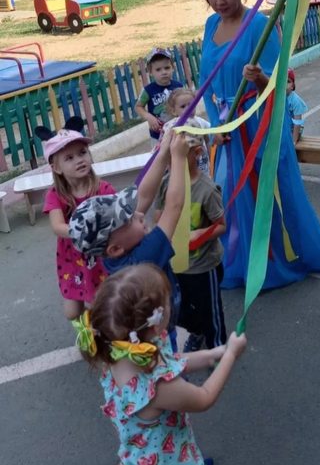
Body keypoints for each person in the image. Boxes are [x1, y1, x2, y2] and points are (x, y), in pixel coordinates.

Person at [199, 0, 320, 290]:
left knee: (276, 191)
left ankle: (282, 259)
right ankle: (246, 262)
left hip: (259, 123)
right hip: (228, 127)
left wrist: (260, 77)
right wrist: (215, 127)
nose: (219, 1)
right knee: (235, 200)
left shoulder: (259, 27)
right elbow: (207, 81)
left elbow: (279, 85)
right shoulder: (210, 26)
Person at [73, 263, 247, 465]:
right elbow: (204, 397)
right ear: (156, 323)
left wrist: (213, 354)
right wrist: (230, 356)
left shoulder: (119, 350)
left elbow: (170, 362)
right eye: (168, 301)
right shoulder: (157, 387)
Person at [69, 132, 190, 352]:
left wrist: (163, 152)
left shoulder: (114, 252)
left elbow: (143, 197)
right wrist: (179, 158)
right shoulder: (143, 259)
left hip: (146, 325)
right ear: (115, 248)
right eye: (130, 219)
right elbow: (174, 206)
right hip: (159, 328)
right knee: (168, 365)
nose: (140, 215)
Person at [154, 118, 227, 355]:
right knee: (178, 309)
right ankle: (198, 331)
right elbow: (158, 217)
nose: (172, 161)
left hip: (203, 266)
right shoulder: (165, 184)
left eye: (180, 154)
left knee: (211, 311)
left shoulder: (207, 189)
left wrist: (200, 233)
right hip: (175, 265)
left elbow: (221, 226)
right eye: (169, 155)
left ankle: (218, 350)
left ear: (197, 153)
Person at [40, 118, 112, 321]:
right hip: (72, 259)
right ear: (56, 168)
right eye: (69, 158)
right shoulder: (55, 194)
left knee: (103, 303)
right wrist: (83, 230)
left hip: (100, 255)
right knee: (72, 313)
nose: (79, 160)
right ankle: (91, 326)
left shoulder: (103, 188)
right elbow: (57, 226)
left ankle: (103, 329)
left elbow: (117, 217)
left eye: (82, 153)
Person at [136, 48, 183, 147]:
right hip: (158, 135)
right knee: (159, 155)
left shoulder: (179, 87)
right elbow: (138, 107)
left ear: (173, 68)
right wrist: (149, 117)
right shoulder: (148, 90)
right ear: (150, 72)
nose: (164, 72)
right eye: (158, 69)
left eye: (167, 68)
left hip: (178, 131)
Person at [163, 88, 212, 173]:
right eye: (183, 106)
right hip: (181, 168)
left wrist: (212, 159)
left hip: (202, 166)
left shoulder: (200, 122)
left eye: (192, 105)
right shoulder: (171, 127)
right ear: (174, 111)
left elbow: (208, 140)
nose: (189, 109)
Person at [286, 67, 307, 145]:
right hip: (283, 127)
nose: (284, 84)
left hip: (294, 129)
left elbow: (297, 122)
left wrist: (294, 140)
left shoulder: (296, 101)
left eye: (288, 81)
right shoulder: (277, 98)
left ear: (293, 86)